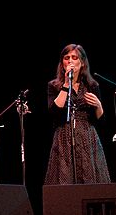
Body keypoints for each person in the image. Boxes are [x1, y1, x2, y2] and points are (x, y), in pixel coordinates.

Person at [44, 44, 110, 185]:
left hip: (87, 137)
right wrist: (67, 83)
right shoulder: (54, 86)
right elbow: (54, 113)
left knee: (90, 181)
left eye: (74, 57)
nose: (70, 61)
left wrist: (98, 105)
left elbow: (102, 122)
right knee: (64, 180)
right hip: (63, 138)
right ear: (62, 63)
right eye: (67, 58)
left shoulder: (92, 86)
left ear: (82, 62)